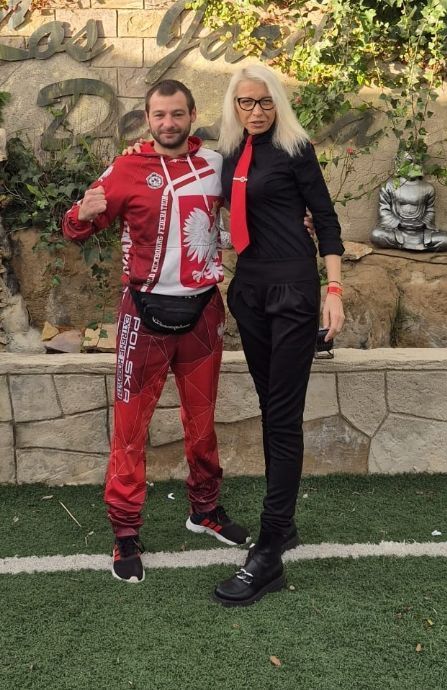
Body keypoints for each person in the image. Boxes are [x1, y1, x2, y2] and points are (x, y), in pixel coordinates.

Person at [62, 79, 250, 584]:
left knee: (202, 424)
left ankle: (204, 510)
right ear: (147, 119)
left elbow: (251, 208)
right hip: (142, 314)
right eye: (159, 115)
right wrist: (82, 214)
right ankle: (125, 532)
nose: (169, 123)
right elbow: (75, 227)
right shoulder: (125, 168)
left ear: (192, 115)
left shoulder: (215, 165)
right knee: (130, 430)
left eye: (177, 114)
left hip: (203, 313)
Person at [212, 65, 345, 607]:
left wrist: (334, 290)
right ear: (234, 105)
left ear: (278, 104)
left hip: (292, 291)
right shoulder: (228, 153)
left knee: (284, 417)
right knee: (271, 411)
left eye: (265, 102)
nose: (256, 111)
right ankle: (283, 525)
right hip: (249, 292)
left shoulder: (296, 149)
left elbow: (326, 219)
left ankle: (268, 551)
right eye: (246, 102)